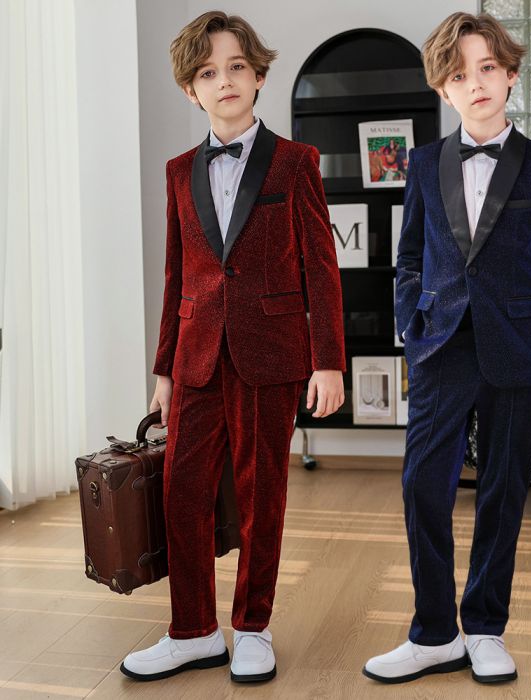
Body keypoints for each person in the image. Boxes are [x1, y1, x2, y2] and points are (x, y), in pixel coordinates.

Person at [120, 10, 345, 683]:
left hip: (271, 354)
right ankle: (192, 631)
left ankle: (252, 628)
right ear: (191, 90)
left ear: (259, 76)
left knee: (260, 495)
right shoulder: (178, 171)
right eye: (209, 73)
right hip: (195, 357)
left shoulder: (296, 163)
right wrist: (163, 370)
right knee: (182, 494)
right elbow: (177, 276)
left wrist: (328, 361)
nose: (225, 81)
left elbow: (322, 268)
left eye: (237, 67)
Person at [363, 11, 531, 685]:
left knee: (503, 492)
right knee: (422, 486)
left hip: (517, 352)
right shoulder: (425, 163)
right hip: (440, 348)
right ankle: (433, 634)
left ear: (510, 75)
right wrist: (411, 324)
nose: (476, 83)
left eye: (488, 68)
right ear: (443, 89)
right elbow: (407, 258)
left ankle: (485, 628)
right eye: (459, 75)